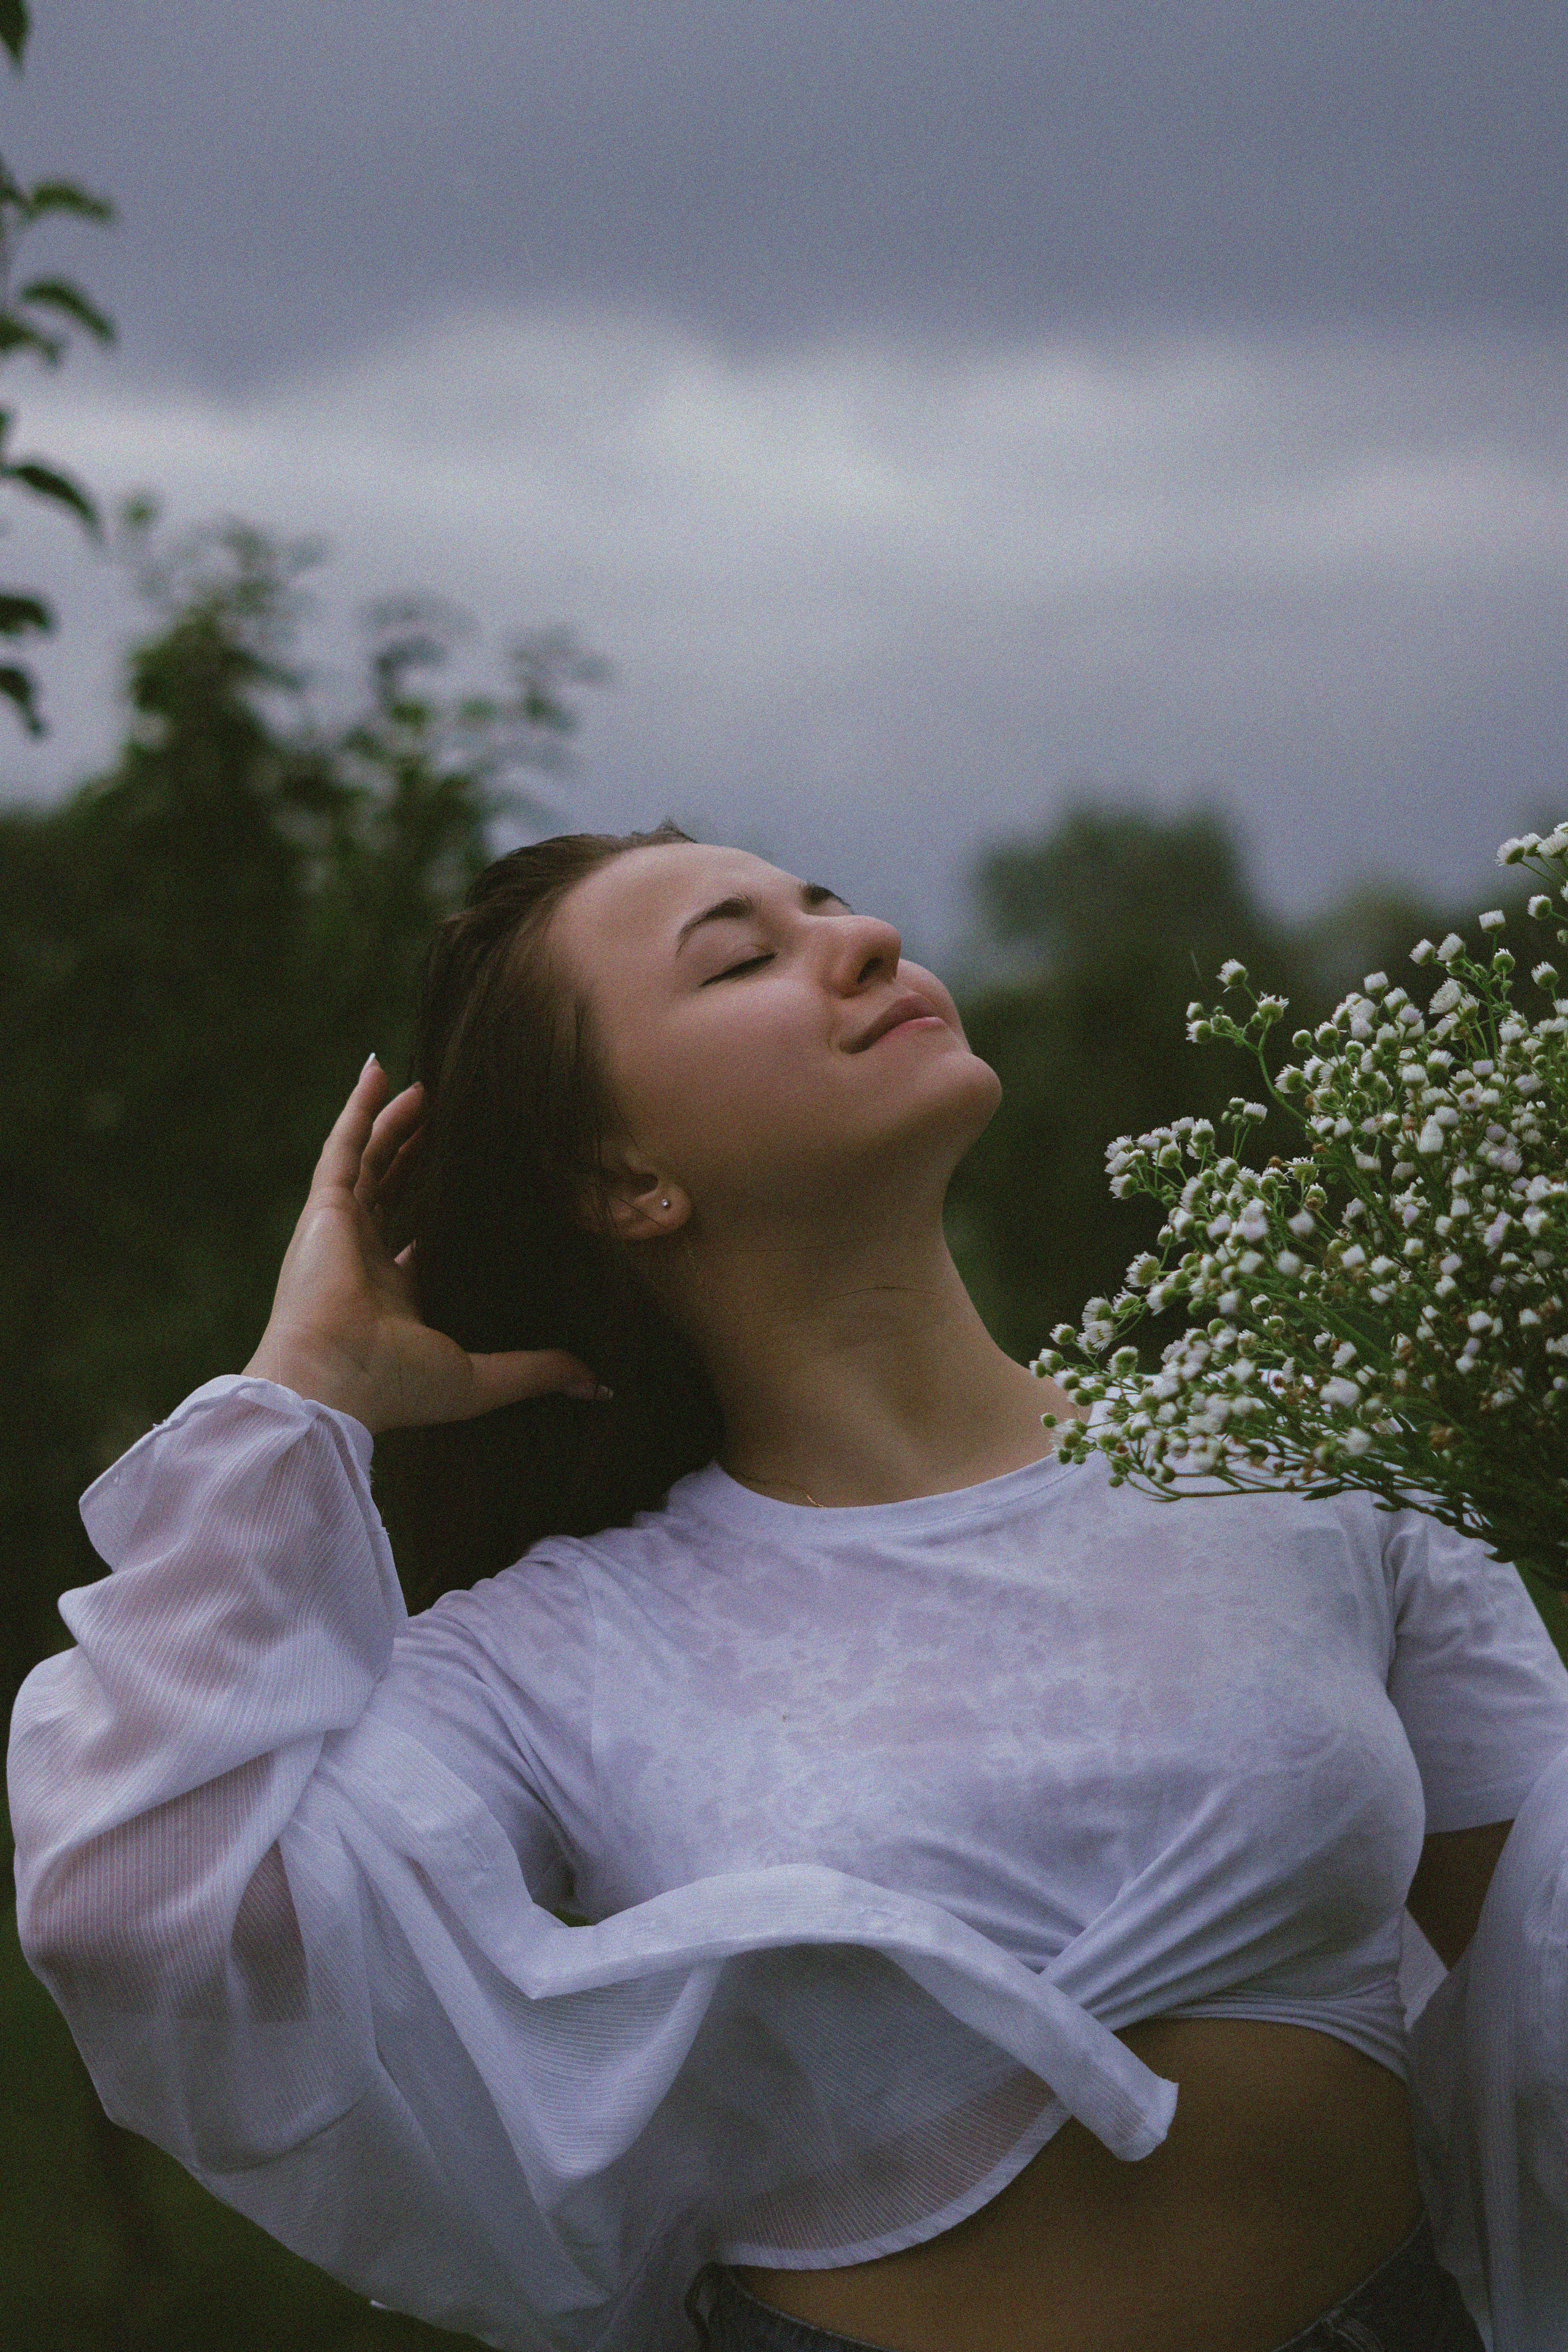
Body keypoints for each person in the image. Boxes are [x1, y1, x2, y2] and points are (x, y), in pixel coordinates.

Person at [8, 822, 1563, 2352]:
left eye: (832, 904)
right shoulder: (554, 1645)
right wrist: (299, 1401)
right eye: (740, 959)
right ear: (624, 1178)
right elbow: (134, 1911)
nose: (867, 941)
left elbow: (1539, 1966)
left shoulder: (1298, 1473)